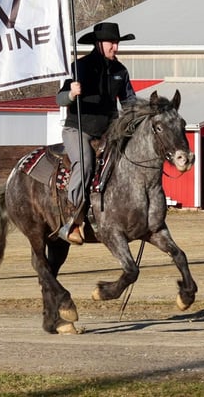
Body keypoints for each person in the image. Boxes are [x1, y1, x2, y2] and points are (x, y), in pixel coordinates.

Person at [56, 22, 137, 244]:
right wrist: (71, 94)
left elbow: (130, 102)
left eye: (117, 43)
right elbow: (60, 98)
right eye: (112, 43)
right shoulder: (79, 67)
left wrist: (137, 117)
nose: (116, 48)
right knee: (85, 164)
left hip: (109, 131)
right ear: (99, 44)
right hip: (78, 129)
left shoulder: (121, 71)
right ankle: (73, 220)